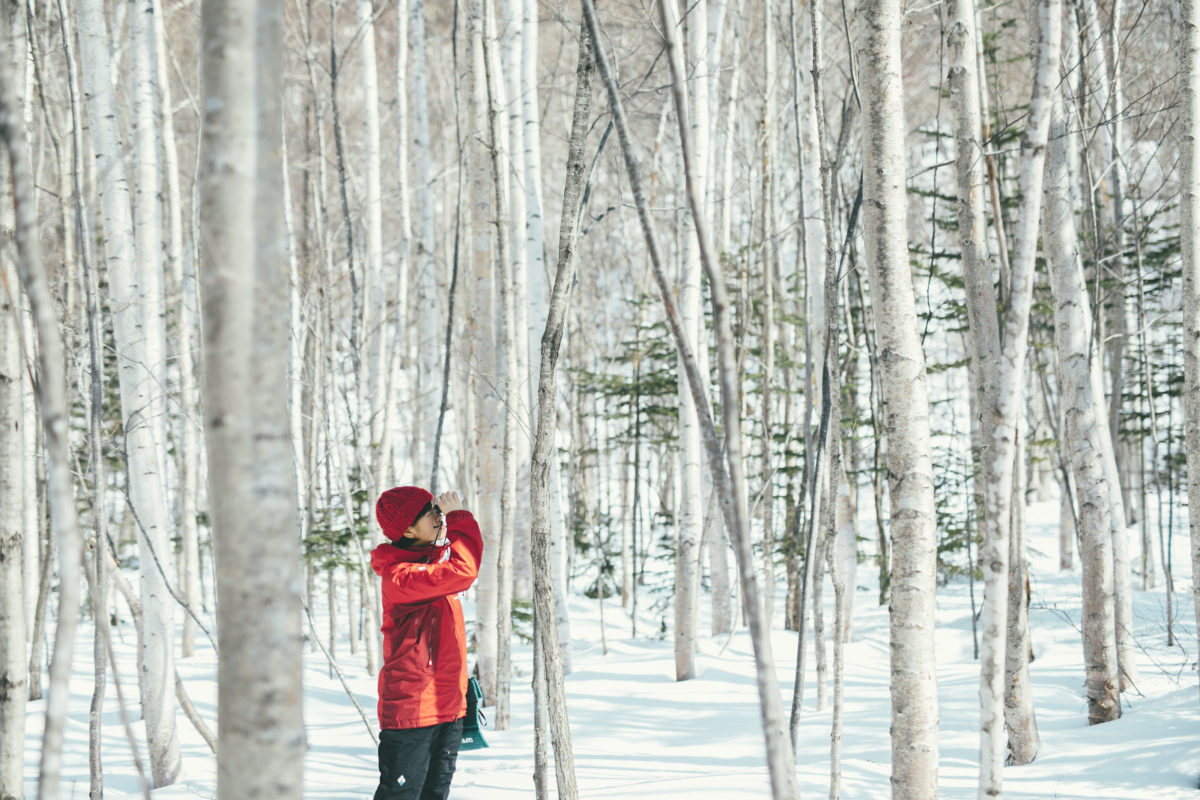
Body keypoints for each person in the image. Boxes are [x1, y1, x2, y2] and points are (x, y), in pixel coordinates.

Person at [370, 486, 483, 800]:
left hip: (448, 710)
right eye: (431, 511)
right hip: (412, 714)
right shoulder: (401, 577)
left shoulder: (432, 570)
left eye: (438, 509)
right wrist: (458, 517)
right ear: (408, 528)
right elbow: (465, 569)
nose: (439, 515)